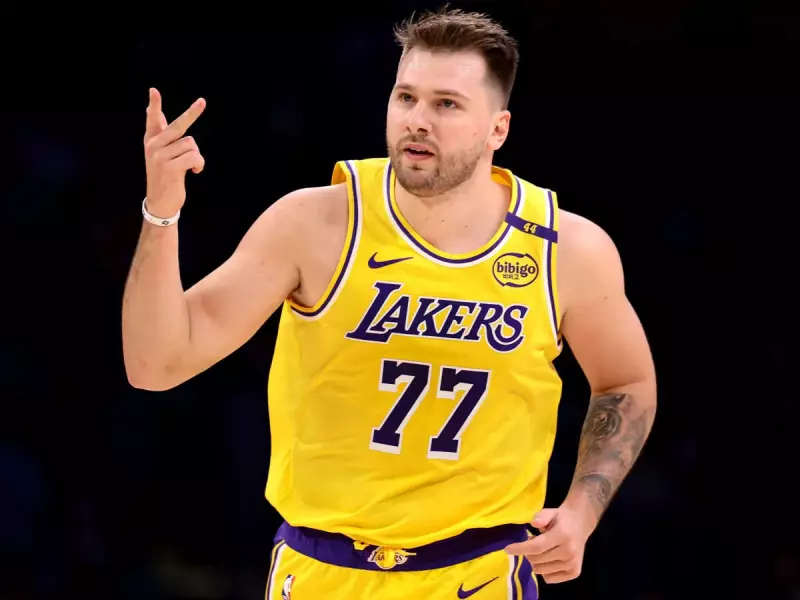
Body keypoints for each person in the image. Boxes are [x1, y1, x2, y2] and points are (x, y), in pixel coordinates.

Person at [122, 8, 657, 599]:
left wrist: (583, 510)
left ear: (497, 129)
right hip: (323, 570)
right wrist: (161, 211)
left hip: (480, 573)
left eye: (446, 104)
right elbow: (155, 364)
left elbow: (626, 382)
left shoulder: (566, 249)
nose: (417, 120)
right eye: (406, 97)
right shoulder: (314, 223)